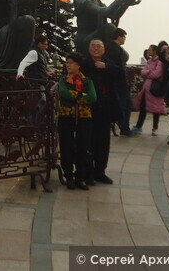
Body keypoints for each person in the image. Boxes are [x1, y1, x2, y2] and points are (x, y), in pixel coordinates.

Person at [82, 38, 123, 183]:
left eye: (99, 46)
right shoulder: (84, 64)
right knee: (89, 141)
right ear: (89, 49)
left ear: (104, 49)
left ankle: (100, 171)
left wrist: (105, 67)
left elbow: (121, 74)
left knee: (103, 142)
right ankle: (88, 172)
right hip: (88, 109)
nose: (96, 48)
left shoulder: (108, 63)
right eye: (93, 46)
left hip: (105, 109)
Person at [57, 53, 96, 190]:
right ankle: (68, 176)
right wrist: (81, 95)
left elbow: (92, 97)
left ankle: (80, 177)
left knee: (82, 147)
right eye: (66, 63)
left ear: (78, 65)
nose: (68, 65)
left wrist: (75, 97)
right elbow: (63, 93)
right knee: (66, 146)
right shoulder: (64, 81)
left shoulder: (87, 81)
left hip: (84, 117)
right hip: (66, 116)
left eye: (71, 63)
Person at [105, 28, 133, 136]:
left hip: (120, 82)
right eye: (124, 36)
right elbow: (114, 66)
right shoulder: (113, 49)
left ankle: (124, 126)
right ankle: (124, 127)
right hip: (118, 83)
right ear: (119, 37)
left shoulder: (115, 48)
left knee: (127, 105)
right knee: (123, 106)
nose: (125, 39)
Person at [133, 44, 165, 136]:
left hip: (154, 88)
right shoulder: (149, 61)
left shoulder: (159, 62)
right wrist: (149, 72)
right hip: (146, 89)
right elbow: (142, 72)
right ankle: (139, 126)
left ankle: (155, 128)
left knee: (156, 109)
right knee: (143, 107)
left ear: (155, 51)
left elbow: (156, 74)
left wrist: (148, 73)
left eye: (150, 50)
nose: (148, 51)